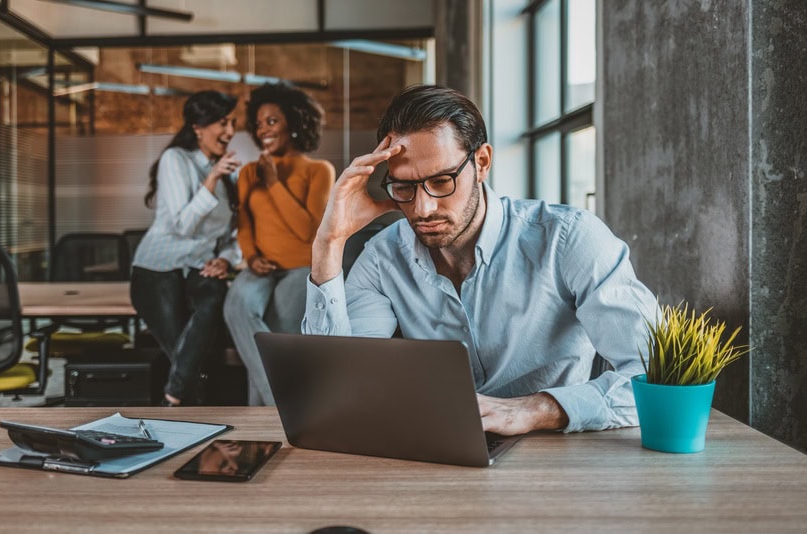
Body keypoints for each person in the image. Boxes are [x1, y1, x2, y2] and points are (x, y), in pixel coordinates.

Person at [303, 85, 658, 435]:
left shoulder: (569, 239)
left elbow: (658, 377)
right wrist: (329, 243)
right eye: (404, 187)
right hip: (439, 455)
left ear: (482, 162)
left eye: (442, 181)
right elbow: (340, 391)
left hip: (554, 456)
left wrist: (535, 410)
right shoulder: (383, 258)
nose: (422, 209)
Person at [224, 83, 335, 406]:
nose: (263, 130)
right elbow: (244, 223)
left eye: (272, 121)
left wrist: (274, 184)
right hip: (260, 267)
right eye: (259, 123)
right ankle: (281, 406)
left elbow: (308, 231)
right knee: (237, 306)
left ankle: (262, 426)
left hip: (301, 267)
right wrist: (251, 255)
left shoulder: (318, 171)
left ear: (295, 123)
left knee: (275, 331)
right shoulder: (248, 173)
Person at [130, 90, 242, 407]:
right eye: (223, 123)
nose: (230, 132)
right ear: (198, 126)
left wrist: (225, 258)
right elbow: (183, 225)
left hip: (198, 267)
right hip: (157, 269)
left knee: (213, 300)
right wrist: (211, 180)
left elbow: (233, 233)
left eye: (232, 123)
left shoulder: (226, 173)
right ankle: (184, 405)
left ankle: (173, 399)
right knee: (185, 352)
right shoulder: (175, 159)